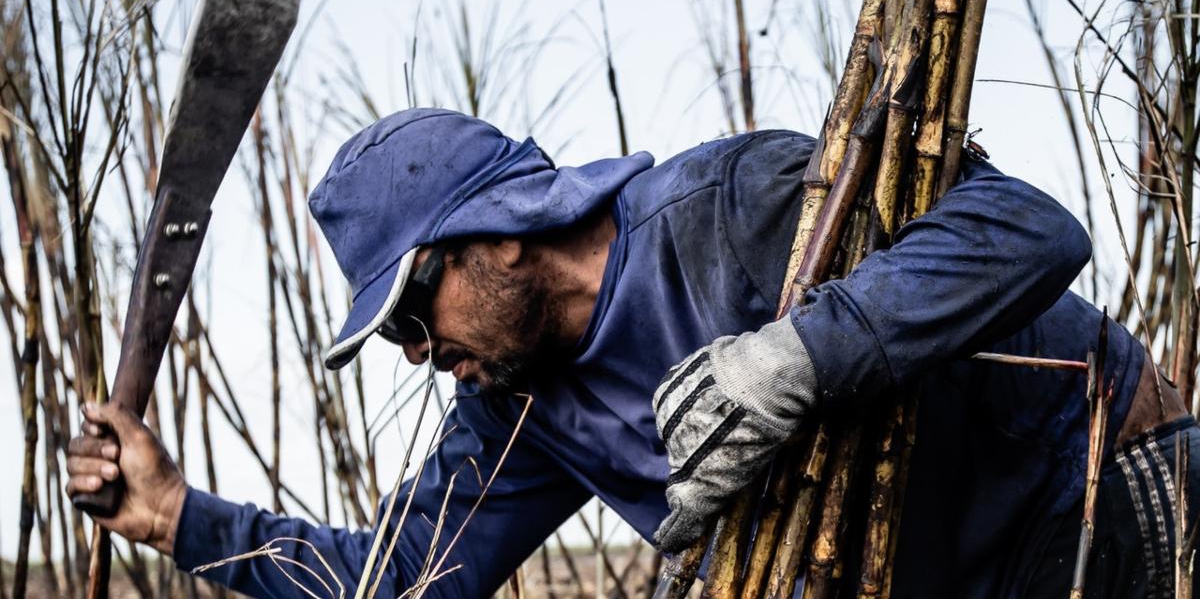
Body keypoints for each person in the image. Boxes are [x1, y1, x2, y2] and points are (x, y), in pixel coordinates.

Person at [67, 108, 1197, 598]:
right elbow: (399, 585)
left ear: (496, 232)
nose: (419, 357)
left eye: (414, 314)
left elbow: (1029, 230)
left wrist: (796, 359)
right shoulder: (517, 412)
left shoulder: (728, 209)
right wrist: (177, 518)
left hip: (1102, 489)